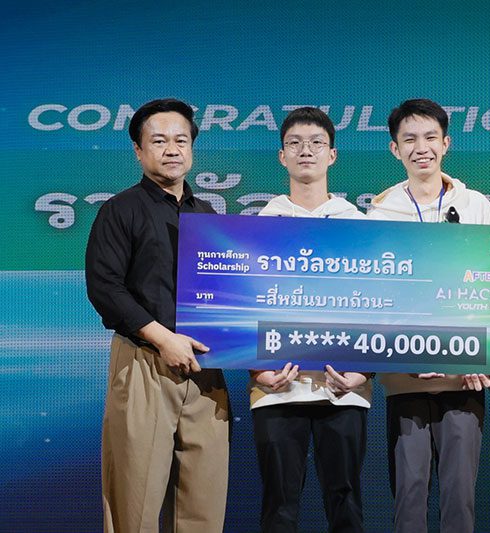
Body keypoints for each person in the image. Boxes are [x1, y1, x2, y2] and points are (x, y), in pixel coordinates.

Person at [85, 98, 230, 532]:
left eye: (181, 140)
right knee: (135, 502)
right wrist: (163, 338)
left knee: (204, 504)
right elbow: (105, 288)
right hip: (145, 363)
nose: (172, 150)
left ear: (192, 149)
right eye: (159, 141)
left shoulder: (209, 216)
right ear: (138, 150)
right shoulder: (120, 210)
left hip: (206, 370)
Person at [368, 98, 490, 533]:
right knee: (409, 494)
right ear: (395, 149)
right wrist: (406, 354)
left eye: (429, 138)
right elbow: (376, 296)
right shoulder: (381, 213)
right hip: (407, 377)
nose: (420, 148)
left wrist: (479, 356)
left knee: (460, 498)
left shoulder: (476, 206)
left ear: (446, 143)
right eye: (409, 140)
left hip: (465, 376)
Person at [250, 107, 372, 533]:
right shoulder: (258, 226)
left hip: (344, 388)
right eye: (295, 143)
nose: (306, 151)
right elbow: (243, 305)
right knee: (279, 506)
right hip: (276, 388)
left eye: (316, 143)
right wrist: (258, 370)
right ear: (281, 155)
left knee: (346, 501)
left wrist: (363, 371)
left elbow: (381, 304)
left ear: (332, 155)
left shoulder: (359, 225)